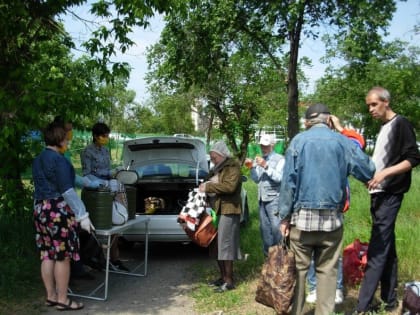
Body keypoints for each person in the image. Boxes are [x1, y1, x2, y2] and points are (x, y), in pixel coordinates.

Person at [278, 103, 375, 315]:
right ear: (329, 120)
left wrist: (284, 218)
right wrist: (342, 131)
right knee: (328, 273)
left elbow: (288, 183)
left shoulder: (298, 141)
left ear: (307, 122)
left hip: (302, 222)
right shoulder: (341, 142)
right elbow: (368, 169)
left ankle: (298, 312)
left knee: (300, 272)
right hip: (332, 222)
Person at [355, 87, 420, 313]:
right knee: (387, 247)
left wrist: (383, 174)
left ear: (385, 102)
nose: (371, 109)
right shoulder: (383, 128)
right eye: (368, 106)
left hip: (391, 194)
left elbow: (413, 158)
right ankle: (389, 300)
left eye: (374, 104)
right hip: (378, 194)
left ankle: (361, 307)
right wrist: (373, 176)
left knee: (377, 248)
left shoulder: (401, 123)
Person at [32, 122, 95, 311]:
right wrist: (82, 215)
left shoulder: (38, 159)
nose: (68, 142)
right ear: (60, 140)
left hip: (40, 209)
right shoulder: (60, 160)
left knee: (47, 254)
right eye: (66, 139)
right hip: (57, 210)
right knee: (62, 256)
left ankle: (50, 296)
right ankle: (62, 299)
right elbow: (67, 191)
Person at [305, 115, 365, 305]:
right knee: (313, 251)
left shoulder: (339, 143)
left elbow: (358, 143)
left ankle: (337, 288)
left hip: (334, 207)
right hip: (310, 204)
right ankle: (315, 287)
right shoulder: (308, 142)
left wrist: (340, 128)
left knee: (333, 253)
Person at [80, 122, 129, 272]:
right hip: (95, 191)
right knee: (98, 227)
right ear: (95, 136)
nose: (106, 138)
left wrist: (115, 171)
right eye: (103, 136)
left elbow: (107, 171)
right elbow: (86, 174)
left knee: (114, 225)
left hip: (108, 187)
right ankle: (95, 258)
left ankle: (115, 259)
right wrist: (100, 183)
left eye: (107, 136)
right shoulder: (87, 152)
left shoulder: (106, 151)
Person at [199, 141, 243, 293]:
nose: (212, 160)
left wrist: (209, 186)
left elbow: (229, 187)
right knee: (216, 245)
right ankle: (223, 277)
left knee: (226, 246)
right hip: (215, 210)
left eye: (214, 157)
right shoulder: (215, 169)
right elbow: (208, 183)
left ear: (222, 155)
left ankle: (229, 280)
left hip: (228, 210)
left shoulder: (233, 167)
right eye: (211, 157)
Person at [245, 134, 285, 257]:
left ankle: (280, 260)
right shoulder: (260, 158)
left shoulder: (280, 159)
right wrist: (251, 167)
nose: (263, 147)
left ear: (272, 145)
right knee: (265, 231)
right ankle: (268, 261)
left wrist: (266, 166)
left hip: (275, 199)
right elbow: (257, 179)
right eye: (262, 145)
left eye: (266, 145)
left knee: (276, 230)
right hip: (262, 200)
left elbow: (280, 178)